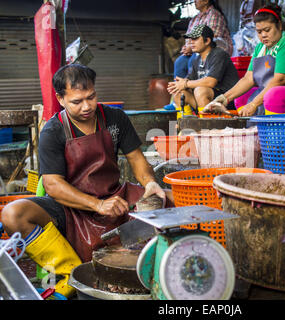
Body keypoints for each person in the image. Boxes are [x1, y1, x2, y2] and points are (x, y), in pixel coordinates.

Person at [1, 64, 168, 298]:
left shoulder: (114, 119)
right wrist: (97, 205)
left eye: (91, 97)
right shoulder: (53, 130)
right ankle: (70, 273)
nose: (87, 106)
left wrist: (149, 182)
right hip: (70, 207)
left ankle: (160, 271)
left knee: (167, 199)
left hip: (115, 196)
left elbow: (137, 160)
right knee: (13, 214)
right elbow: (52, 185)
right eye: (77, 101)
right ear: (60, 98)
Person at [201, 4, 285, 117]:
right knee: (242, 97)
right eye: (259, 32)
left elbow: (281, 80)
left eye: (267, 30)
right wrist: (224, 98)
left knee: (273, 95)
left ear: (279, 25)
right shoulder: (260, 48)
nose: (263, 35)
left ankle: (276, 137)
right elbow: (248, 79)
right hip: (272, 92)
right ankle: (254, 132)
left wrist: (253, 104)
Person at [167, 24, 239, 113]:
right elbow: (189, 81)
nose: (191, 42)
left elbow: (210, 82)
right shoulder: (196, 59)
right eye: (190, 39)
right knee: (179, 92)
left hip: (225, 101)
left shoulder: (219, 54)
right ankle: (186, 124)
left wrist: (185, 83)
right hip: (205, 102)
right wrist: (178, 85)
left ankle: (208, 125)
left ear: (207, 41)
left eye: (195, 39)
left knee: (200, 90)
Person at [174, 0, 233, 79]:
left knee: (193, 61)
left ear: (206, 1)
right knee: (180, 62)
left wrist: (191, 48)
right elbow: (188, 38)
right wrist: (186, 47)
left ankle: (194, 88)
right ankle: (180, 89)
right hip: (196, 50)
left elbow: (211, 38)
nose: (194, 1)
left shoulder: (214, 15)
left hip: (213, 50)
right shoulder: (195, 18)